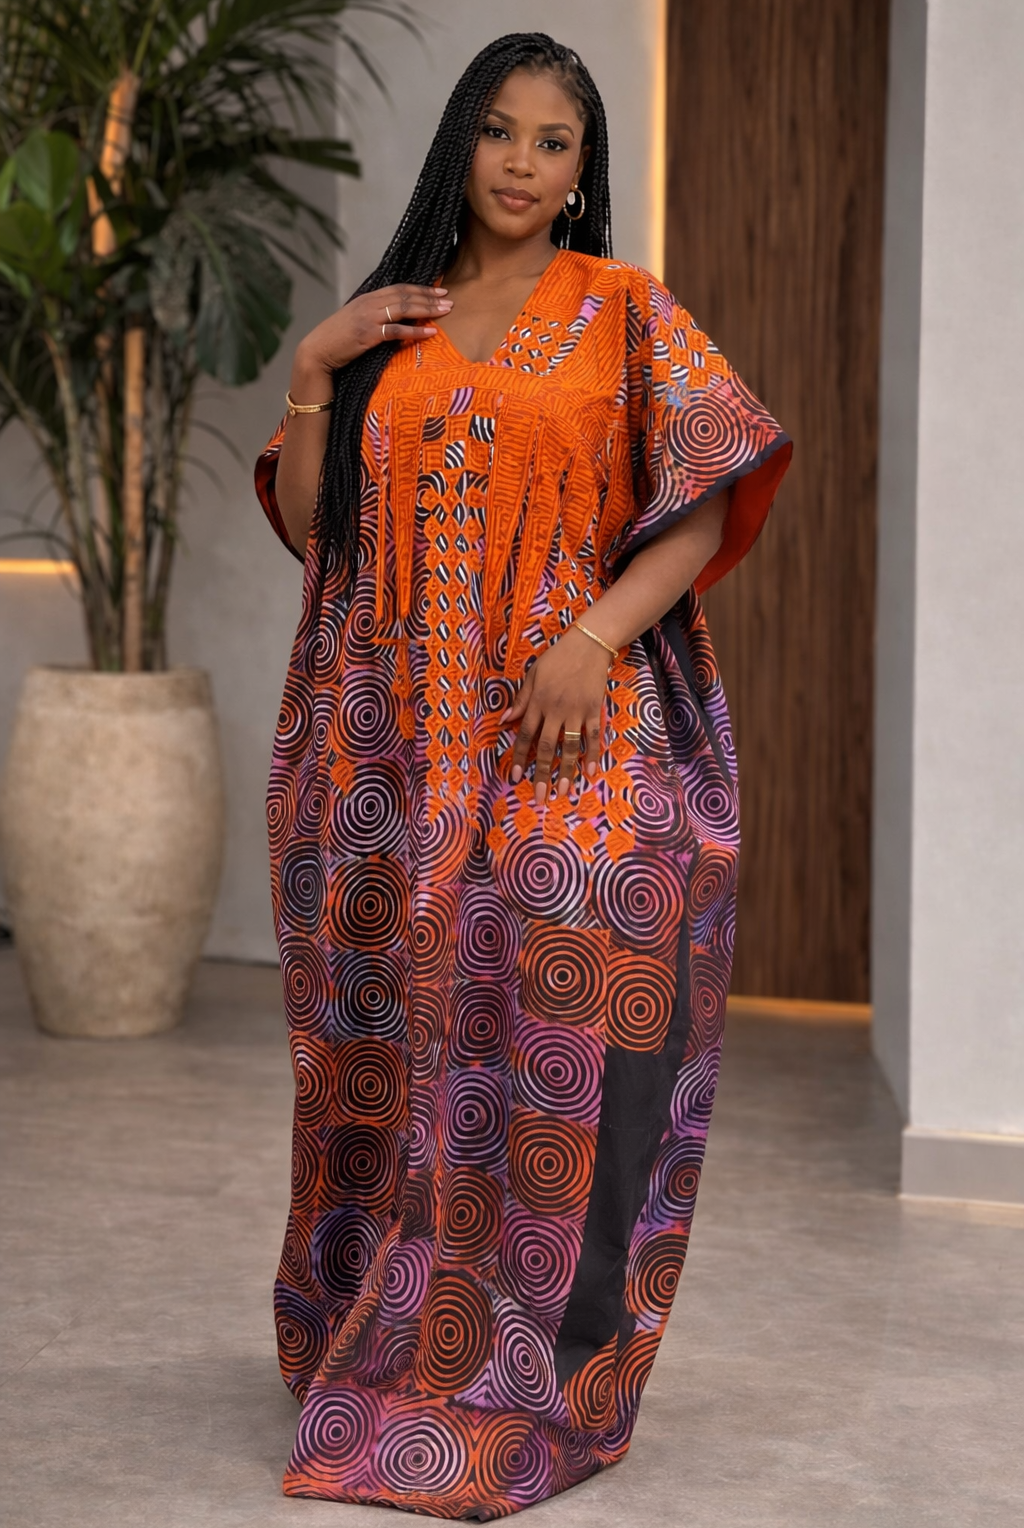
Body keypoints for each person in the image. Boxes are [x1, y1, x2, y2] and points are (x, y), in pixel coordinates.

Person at [254, 31, 791, 1520]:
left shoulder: (625, 313)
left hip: (567, 717)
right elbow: (316, 529)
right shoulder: (389, 329)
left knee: (563, 978)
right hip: (384, 737)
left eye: (554, 142)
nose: (520, 162)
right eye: (497, 131)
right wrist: (313, 367)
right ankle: (376, 1329)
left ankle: (539, 1357)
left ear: (581, 173)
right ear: (460, 143)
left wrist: (589, 641)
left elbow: (711, 493)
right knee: (387, 1018)